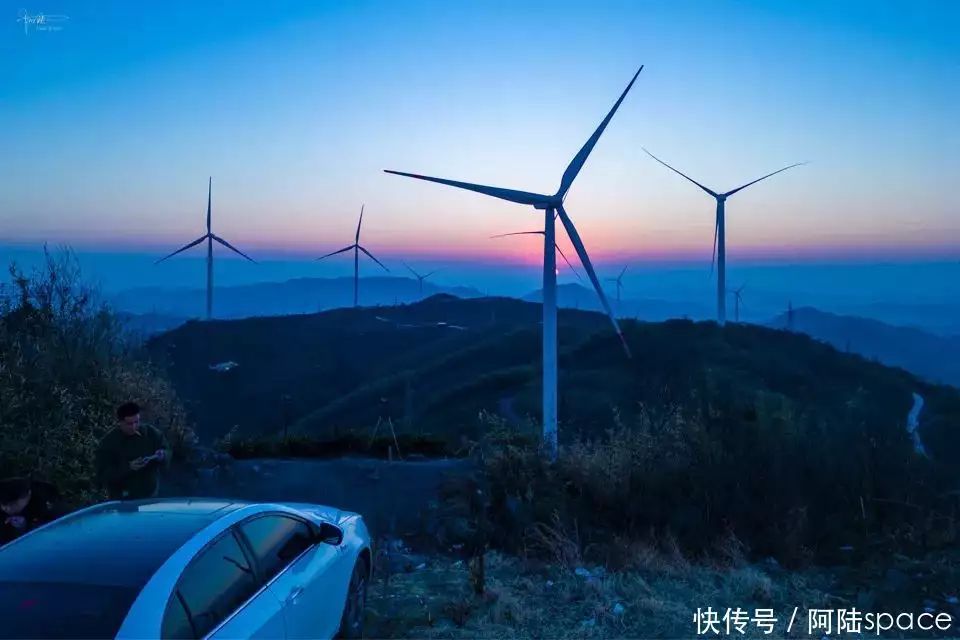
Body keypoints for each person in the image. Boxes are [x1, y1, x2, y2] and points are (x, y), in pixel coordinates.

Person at [96, 402, 171, 500]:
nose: (134, 427)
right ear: (120, 422)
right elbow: (102, 474)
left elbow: (167, 450)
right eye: (129, 424)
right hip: (122, 499)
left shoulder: (151, 433)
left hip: (151, 497)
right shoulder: (109, 442)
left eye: (137, 422)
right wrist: (128, 467)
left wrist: (162, 455)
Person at [0, 477, 61, 545]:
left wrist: (25, 526)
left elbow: (55, 528)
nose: (5, 508)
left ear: (25, 497)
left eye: (11, 504)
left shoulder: (46, 500)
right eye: (2, 505)